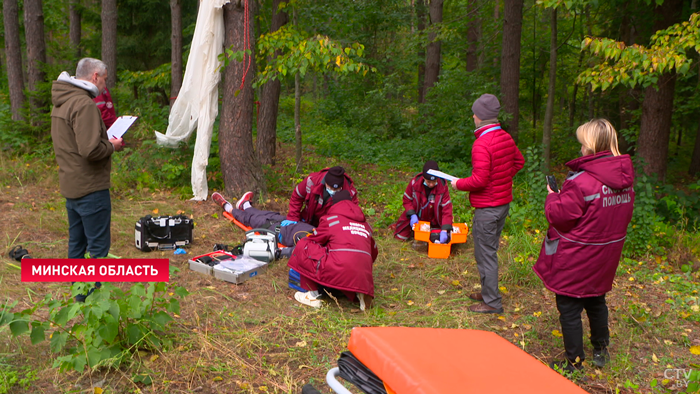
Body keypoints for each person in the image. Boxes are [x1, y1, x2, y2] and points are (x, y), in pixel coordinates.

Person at [533, 119, 634, 374]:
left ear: (590, 147)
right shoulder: (625, 180)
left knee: (568, 307)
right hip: (605, 255)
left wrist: (552, 196)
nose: (580, 150)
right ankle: (601, 349)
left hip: (578, 256)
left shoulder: (582, 182)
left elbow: (559, 216)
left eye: (582, 144)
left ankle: (574, 362)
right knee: (596, 300)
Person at [51, 58, 123, 302]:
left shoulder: (63, 101)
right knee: (98, 250)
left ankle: (80, 298)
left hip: (71, 185)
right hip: (91, 188)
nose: (104, 85)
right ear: (94, 77)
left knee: (77, 245)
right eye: (104, 79)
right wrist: (112, 146)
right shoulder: (84, 105)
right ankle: (96, 303)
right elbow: (90, 150)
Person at [451, 94, 524, 314]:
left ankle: (492, 302)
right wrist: (501, 179)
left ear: (480, 117)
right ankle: (487, 292)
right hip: (501, 205)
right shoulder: (505, 137)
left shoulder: (482, 143)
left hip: (489, 208)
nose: (473, 116)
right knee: (486, 251)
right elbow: (518, 162)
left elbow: (479, 180)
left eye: (474, 113)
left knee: (486, 254)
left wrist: (457, 184)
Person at [287, 190, 378, 310]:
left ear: (334, 204)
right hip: (362, 274)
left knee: (304, 244)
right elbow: (374, 251)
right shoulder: (366, 225)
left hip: (338, 267)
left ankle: (312, 295)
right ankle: (361, 293)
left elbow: (315, 240)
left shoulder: (331, 220)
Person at [211, 191, 314, 249]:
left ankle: (227, 207)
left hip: (277, 230)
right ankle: (245, 206)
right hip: (291, 222)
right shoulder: (323, 233)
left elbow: (294, 253)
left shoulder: (309, 248)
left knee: (252, 219)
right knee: (269, 214)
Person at [394, 160, 453, 244]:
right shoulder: (415, 183)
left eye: (434, 181)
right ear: (423, 178)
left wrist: (444, 229)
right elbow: (407, 200)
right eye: (429, 182)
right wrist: (412, 214)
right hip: (417, 215)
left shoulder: (442, 187)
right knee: (401, 236)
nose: (431, 184)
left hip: (435, 217)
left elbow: (447, 209)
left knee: (439, 237)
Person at [286, 166, 359, 227]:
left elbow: (353, 215)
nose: (333, 191)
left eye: (336, 189)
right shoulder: (312, 181)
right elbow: (297, 196)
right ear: (325, 182)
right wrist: (293, 217)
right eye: (330, 188)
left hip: (331, 225)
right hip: (307, 220)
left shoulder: (350, 193)